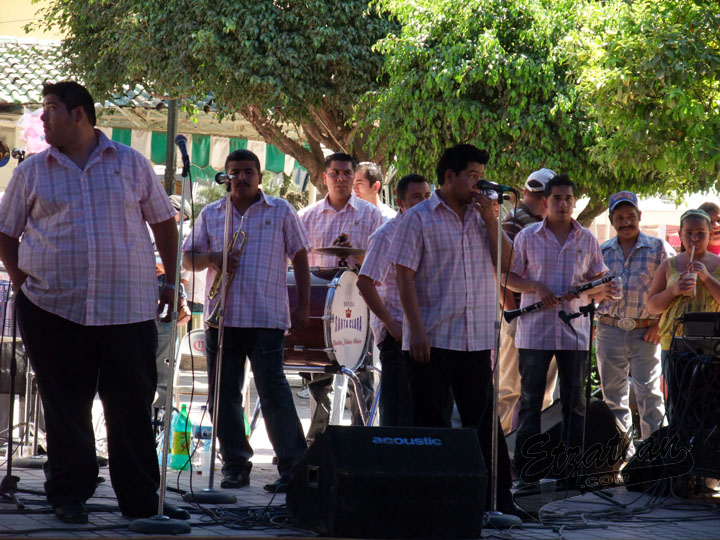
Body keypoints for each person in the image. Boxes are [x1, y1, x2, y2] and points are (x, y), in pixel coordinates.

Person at [0, 81, 188, 523]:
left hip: (127, 307)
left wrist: (171, 282)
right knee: (66, 405)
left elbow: (164, 224)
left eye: (50, 108)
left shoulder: (131, 162)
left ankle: (141, 499)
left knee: (131, 405)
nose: (42, 118)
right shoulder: (32, 171)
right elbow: (6, 233)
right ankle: (68, 493)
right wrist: (23, 283)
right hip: (52, 306)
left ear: (78, 114)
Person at [390, 144, 517, 513]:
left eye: (481, 177)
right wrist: (416, 330)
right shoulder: (418, 218)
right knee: (431, 425)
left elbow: (507, 264)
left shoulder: (482, 217)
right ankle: (431, 504)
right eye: (472, 176)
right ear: (449, 177)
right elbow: (403, 277)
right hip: (432, 338)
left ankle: (499, 500)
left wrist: (491, 219)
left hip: (475, 339)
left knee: (485, 424)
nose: (478, 185)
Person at [182, 149, 309, 492]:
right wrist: (213, 257)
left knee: (274, 393)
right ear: (225, 177)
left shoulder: (281, 210)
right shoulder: (211, 213)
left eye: (248, 171)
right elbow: (188, 259)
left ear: (260, 177)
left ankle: (293, 467)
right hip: (222, 320)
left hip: (266, 317)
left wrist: (303, 305)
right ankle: (235, 465)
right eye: (235, 172)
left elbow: (300, 256)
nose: (241, 177)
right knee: (223, 396)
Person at [507, 174, 608, 484]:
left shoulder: (587, 239)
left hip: (574, 331)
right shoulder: (527, 237)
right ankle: (528, 474)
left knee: (576, 405)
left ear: (574, 203)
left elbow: (601, 284)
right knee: (530, 403)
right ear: (544, 202)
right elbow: (510, 279)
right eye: (556, 199)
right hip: (534, 331)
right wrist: (536, 287)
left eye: (568, 199)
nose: (563, 204)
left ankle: (571, 475)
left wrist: (592, 289)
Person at [298, 153, 384, 442]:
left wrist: (355, 255)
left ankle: (361, 441)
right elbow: (297, 265)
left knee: (362, 377)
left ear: (353, 178)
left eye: (347, 173)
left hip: (360, 307)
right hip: (321, 310)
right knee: (318, 381)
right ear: (325, 177)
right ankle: (318, 442)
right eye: (335, 173)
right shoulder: (306, 216)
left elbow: (381, 262)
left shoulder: (371, 215)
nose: (341, 178)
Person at [357, 174, 431, 426]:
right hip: (397, 335)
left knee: (423, 413)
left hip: (427, 331)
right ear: (400, 202)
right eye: (416, 197)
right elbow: (364, 283)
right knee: (397, 415)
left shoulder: (430, 230)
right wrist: (390, 324)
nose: (424, 202)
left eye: (427, 196)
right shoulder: (386, 235)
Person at [596, 191, 667, 451]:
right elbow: (589, 291)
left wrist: (660, 325)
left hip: (646, 332)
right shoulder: (601, 251)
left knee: (650, 394)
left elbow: (672, 290)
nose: (626, 222)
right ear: (611, 220)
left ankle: (656, 455)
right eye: (620, 217)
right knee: (612, 397)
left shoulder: (658, 248)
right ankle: (622, 454)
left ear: (639, 216)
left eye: (630, 216)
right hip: (609, 329)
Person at [497, 168, 558, 434]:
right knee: (510, 388)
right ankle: (502, 445)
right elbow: (500, 270)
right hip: (520, 314)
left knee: (542, 390)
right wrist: (511, 311)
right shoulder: (513, 220)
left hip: (544, 316)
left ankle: (537, 445)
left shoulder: (548, 223)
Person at [647, 209, 720, 360]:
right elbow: (652, 307)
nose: (694, 238)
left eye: (701, 233)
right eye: (689, 233)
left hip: (712, 344)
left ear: (710, 234)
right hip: (673, 343)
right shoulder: (668, 265)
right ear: (680, 235)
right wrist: (673, 290)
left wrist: (706, 277)